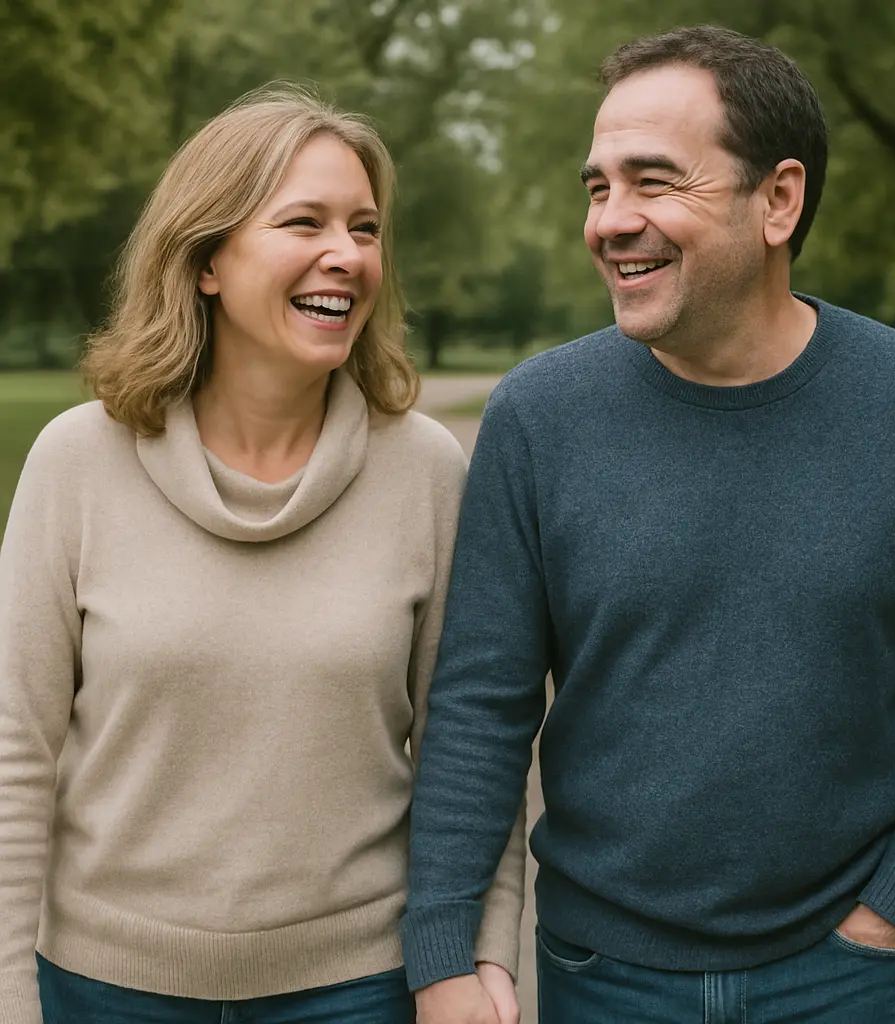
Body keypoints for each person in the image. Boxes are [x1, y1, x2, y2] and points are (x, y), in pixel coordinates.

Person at [402, 25, 895, 1024]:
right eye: (597, 186)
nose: (610, 219)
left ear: (777, 200)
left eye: (652, 181)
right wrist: (441, 947)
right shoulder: (539, 418)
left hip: (847, 976)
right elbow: (480, 703)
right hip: (604, 971)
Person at [0, 85, 524, 1024]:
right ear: (206, 259)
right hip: (106, 989)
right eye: (305, 223)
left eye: (365, 228)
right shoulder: (78, 462)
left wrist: (482, 961)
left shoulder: (425, 472)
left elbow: (471, 744)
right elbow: (13, 755)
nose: (348, 255)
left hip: (357, 989)